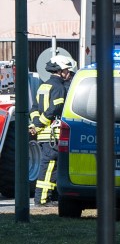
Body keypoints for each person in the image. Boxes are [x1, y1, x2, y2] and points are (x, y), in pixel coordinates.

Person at [30, 55, 76, 204]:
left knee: (51, 166)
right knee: (49, 166)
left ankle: (51, 196)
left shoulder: (44, 86)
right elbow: (54, 109)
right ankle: (42, 199)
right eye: (66, 70)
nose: (68, 73)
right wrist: (39, 125)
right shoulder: (59, 87)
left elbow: (34, 108)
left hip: (44, 135)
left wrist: (36, 124)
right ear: (60, 70)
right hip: (52, 134)